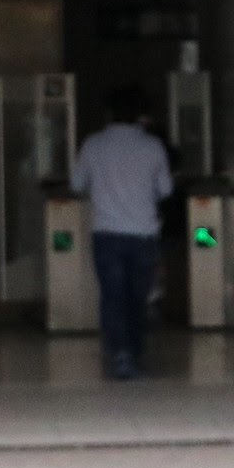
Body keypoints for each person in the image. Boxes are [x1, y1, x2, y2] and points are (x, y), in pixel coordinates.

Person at [72, 85, 172, 379]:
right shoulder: (153, 147)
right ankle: (134, 351)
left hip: (107, 233)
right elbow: (165, 189)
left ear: (108, 114)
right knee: (137, 296)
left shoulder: (93, 145)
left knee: (113, 295)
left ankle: (120, 353)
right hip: (143, 234)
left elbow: (78, 185)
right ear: (140, 116)